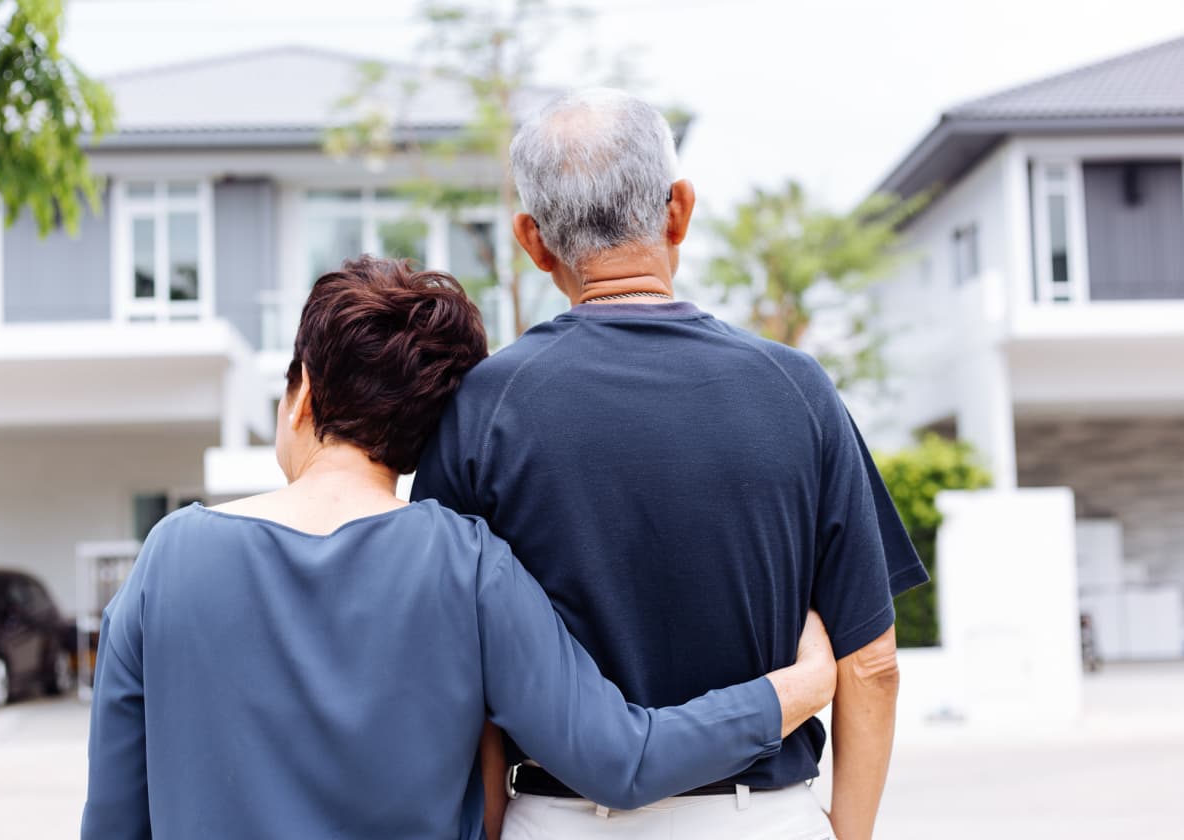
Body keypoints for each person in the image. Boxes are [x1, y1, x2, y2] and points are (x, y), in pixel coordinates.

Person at [80, 257, 838, 840]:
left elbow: (114, 823)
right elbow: (621, 759)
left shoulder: (169, 561)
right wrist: (798, 687)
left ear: (301, 394)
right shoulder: (466, 563)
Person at [413, 89, 930, 840]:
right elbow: (872, 664)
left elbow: (460, 679)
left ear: (532, 239)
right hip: (764, 819)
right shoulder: (798, 389)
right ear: (679, 209)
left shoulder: (481, 407)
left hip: (562, 817)